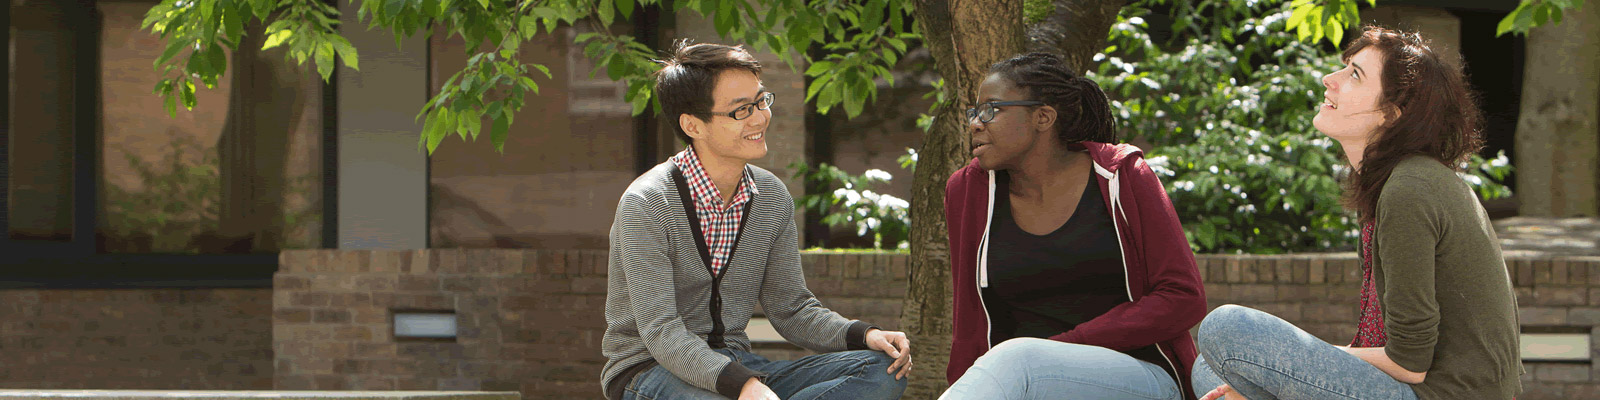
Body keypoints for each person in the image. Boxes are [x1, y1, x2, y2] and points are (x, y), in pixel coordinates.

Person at [1191, 26, 1522, 400]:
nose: (1329, 79)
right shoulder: (1392, 182)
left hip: (1438, 394)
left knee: (1227, 329)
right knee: (1209, 366)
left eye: (1354, 74)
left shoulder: (1410, 189)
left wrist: (1277, 371)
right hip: (1410, 386)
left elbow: (1409, 362)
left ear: (1392, 113)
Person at [599, 41, 911, 400]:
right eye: (741, 110)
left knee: (882, 368)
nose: (760, 117)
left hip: (737, 363)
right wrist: (744, 386)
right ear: (693, 125)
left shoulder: (771, 197)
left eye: (761, 101)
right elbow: (662, 332)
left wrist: (866, 335)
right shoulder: (648, 203)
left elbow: (792, 309)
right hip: (650, 371)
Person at [940, 52, 1207, 400]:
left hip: (1137, 373)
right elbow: (969, 319)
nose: (976, 123)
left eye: (992, 109)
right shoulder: (969, 191)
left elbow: (1183, 297)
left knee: (1019, 357)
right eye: (974, 112)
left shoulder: (1121, 177)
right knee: (1016, 361)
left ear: (1043, 117)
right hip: (1021, 380)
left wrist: (1066, 346)